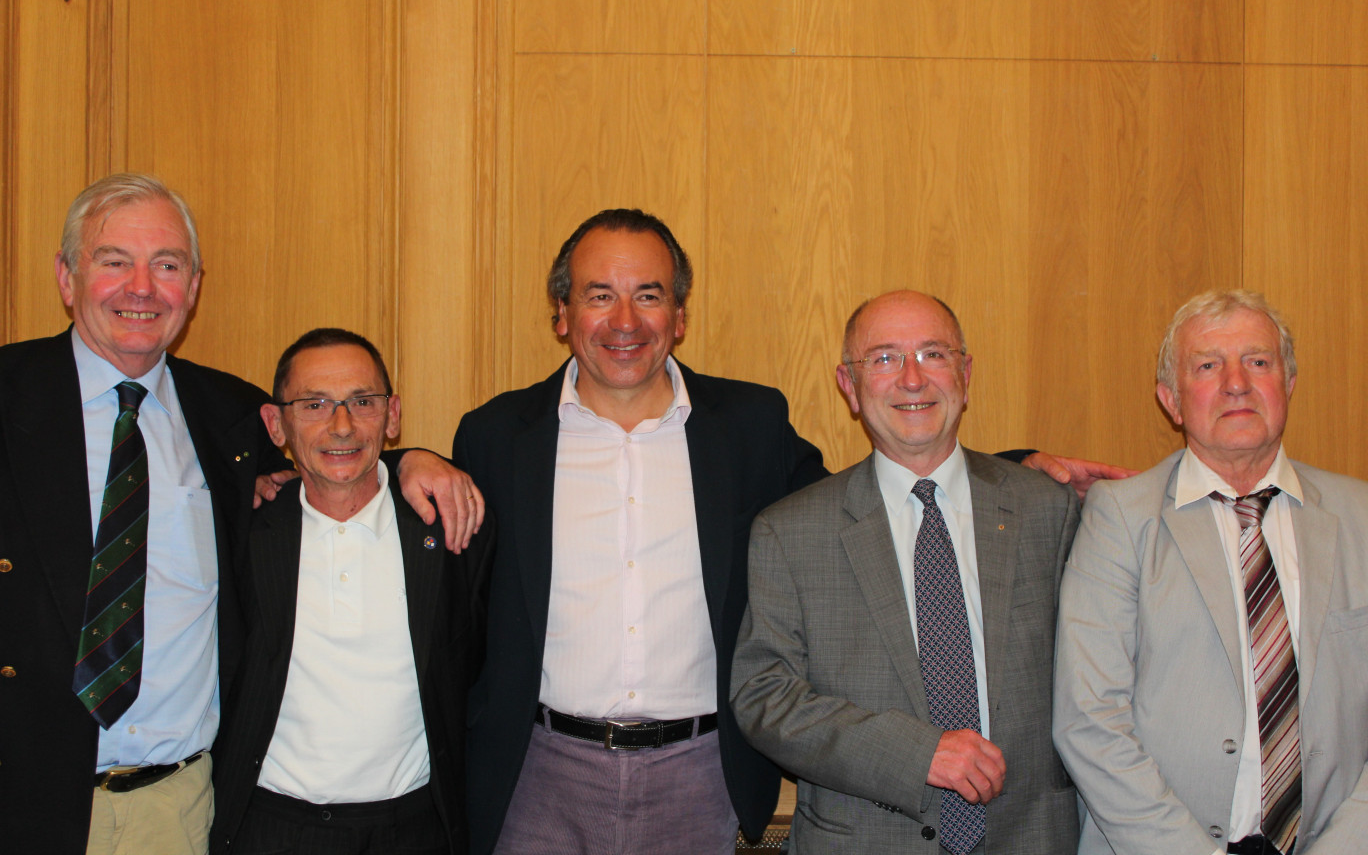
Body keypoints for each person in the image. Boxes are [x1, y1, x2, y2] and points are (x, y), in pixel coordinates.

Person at [454, 210, 1111, 854]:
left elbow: (877, 496)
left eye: (648, 295)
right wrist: (404, 461)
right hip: (539, 776)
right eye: (600, 295)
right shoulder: (495, 436)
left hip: (698, 776)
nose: (625, 321)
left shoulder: (748, 426)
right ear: (562, 313)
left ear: (679, 318)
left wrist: (1018, 469)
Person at [0, 174, 480, 855]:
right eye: (114, 262)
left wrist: (411, 460)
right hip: (22, 792)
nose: (141, 288)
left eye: (166, 265)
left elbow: (334, 446)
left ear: (192, 287)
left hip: (177, 807)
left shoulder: (227, 418)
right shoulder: (8, 396)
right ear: (66, 276)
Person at [730, 290, 1080, 854]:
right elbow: (764, 696)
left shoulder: (1049, 510)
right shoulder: (789, 532)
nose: (912, 380)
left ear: (965, 374)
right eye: (885, 358)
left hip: (1031, 837)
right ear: (849, 384)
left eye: (933, 354)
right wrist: (918, 754)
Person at [1053, 289, 1368, 855]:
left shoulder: (1361, 518)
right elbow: (1089, 721)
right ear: (1171, 400)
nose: (1236, 383)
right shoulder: (1120, 518)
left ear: (1288, 384)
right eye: (1207, 366)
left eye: (1258, 361)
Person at [209, 329, 493, 854]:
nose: (341, 425)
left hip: (415, 827)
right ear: (277, 425)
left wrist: (414, 457)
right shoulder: (240, 533)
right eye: (314, 404)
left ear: (392, 416)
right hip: (270, 826)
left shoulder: (453, 527)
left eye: (362, 402)